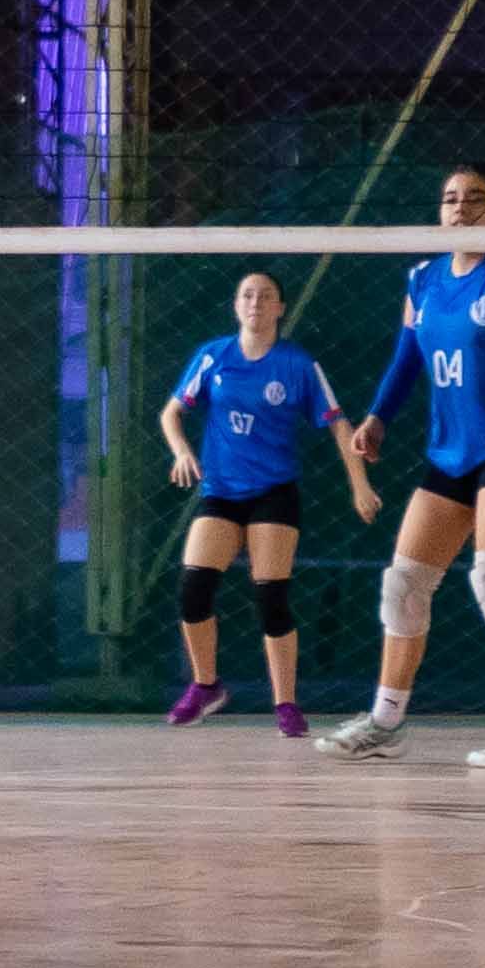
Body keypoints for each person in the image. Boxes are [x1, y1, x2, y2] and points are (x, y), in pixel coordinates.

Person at [320, 164, 485, 768]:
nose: (459, 209)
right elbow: (407, 358)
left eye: (475, 200)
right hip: (448, 451)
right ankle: (385, 722)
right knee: (403, 585)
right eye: (450, 199)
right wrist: (377, 417)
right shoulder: (425, 279)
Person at [158, 272, 367, 733]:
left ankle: (285, 703)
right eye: (247, 295)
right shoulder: (213, 356)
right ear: (236, 306)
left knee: (270, 597)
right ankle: (206, 685)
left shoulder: (296, 364)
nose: (255, 302)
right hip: (221, 493)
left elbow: (337, 423)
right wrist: (182, 450)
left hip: (274, 494)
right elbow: (172, 412)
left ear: (280, 308)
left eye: (266, 295)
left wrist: (360, 485)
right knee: (192, 592)